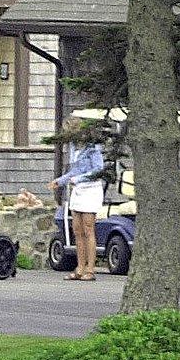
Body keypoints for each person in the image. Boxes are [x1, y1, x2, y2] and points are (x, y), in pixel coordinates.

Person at [48, 117, 105, 281]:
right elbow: (73, 172)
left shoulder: (92, 147)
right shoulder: (73, 148)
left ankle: (90, 269)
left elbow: (98, 170)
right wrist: (60, 181)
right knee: (77, 230)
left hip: (91, 189)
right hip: (77, 190)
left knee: (88, 229)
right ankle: (79, 267)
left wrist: (79, 179)